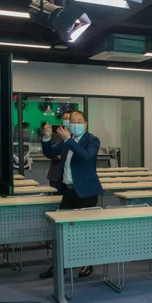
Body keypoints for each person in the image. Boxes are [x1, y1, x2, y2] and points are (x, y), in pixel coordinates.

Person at [40, 111, 103, 279]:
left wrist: (68, 140)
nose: (75, 124)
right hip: (68, 191)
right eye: (72, 121)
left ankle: (87, 264)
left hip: (86, 192)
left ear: (86, 124)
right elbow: (50, 153)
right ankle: (59, 265)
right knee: (61, 229)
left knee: (86, 231)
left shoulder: (92, 140)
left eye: (79, 121)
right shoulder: (65, 141)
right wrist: (47, 138)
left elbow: (86, 156)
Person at [46, 111, 71, 194]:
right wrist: (57, 157)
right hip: (56, 173)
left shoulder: (76, 136)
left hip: (71, 175)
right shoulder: (55, 135)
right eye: (65, 118)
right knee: (56, 197)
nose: (66, 120)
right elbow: (49, 151)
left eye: (68, 118)